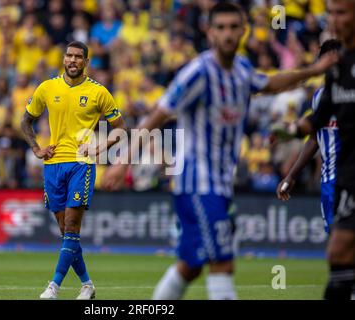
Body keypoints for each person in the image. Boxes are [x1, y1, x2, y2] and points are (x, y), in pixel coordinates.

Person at [102, 2, 337, 300]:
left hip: (220, 184)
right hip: (197, 184)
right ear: (210, 32)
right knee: (222, 263)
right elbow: (156, 116)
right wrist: (123, 161)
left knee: (189, 267)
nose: (227, 34)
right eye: (221, 28)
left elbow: (270, 83)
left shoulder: (241, 70)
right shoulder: (197, 73)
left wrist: (313, 70)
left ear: (243, 30)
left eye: (233, 27)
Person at [21, 41, 126, 300]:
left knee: (71, 226)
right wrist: (36, 148)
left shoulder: (98, 92)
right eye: (69, 55)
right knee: (66, 232)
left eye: (79, 57)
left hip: (82, 163)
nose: (73, 60)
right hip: (53, 164)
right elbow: (25, 121)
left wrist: (100, 148)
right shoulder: (47, 87)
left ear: (86, 63)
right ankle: (87, 285)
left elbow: (121, 128)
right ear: (63, 59)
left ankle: (53, 287)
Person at [270, 0, 355, 300]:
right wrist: (291, 172)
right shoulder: (325, 92)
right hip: (334, 181)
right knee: (339, 250)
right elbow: (315, 133)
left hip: (349, 178)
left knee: (340, 249)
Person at [276, 39, 342, 234]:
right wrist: (291, 176)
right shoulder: (319, 97)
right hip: (330, 181)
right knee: (336, 247)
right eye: (326, 65)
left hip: (349, 178)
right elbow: (314, 138)